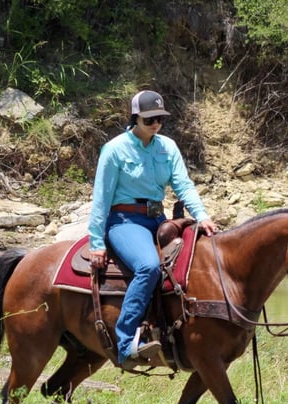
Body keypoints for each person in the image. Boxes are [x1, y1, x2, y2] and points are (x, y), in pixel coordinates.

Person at [87, 90, 218, 370]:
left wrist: (202, 216)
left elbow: (183, 185)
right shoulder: (114, 149)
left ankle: (170, 333)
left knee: (194, 261)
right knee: (148, 267)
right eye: (149, 119)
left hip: (159, 219)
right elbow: (101, 198)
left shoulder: (167, 147)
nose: (155, 124)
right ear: (135, 118)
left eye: (159, 118)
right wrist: (96, 242)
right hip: (125, 221)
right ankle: (125, 344)